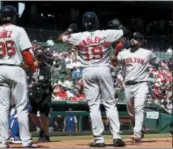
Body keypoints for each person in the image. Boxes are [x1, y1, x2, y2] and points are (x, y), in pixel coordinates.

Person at [57, 12, 129, 147]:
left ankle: (99, 139)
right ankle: (117, 136)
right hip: (103, 69)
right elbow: (125, 31)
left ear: (84, 24)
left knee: (94, 106)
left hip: (88, 70)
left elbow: (60, 38)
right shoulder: (105, 33)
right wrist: (118, 24)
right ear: (96, 22)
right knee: (110, 104)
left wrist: (70, 29)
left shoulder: (78, 36)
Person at [0, 5, 37, 148]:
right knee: (21, 107)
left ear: (1, 17)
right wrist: (33, 70)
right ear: (14, 16)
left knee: (3, 108)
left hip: (0, 70)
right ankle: (26, 141)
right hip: (15, 69)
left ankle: (3, 142)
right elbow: (26, 54)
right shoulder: (19, 30)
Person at [111, 32, 163, 142]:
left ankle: (137, 133)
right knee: (132, 112)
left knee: (139, 109)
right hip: (128, 86)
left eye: (135, 38)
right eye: (131, 38)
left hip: (142, 84)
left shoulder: (147, 53)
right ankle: (140, 128)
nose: (132, 40)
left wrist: (162, 71)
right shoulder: (123, 53)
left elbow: (157, 62)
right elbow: (114, 63)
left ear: (140, 42)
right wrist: (116, 51)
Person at [28, 52, 52, 142]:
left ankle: (46, 134)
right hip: (34, 94)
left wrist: (33, 85)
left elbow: (46, 82)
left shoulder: (46, 69)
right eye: (38, 58)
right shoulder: (30, 67)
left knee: (43, 115)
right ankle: (42, 130)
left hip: (45, 94)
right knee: (31, 113)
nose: (39, 60)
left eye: (40, 59)